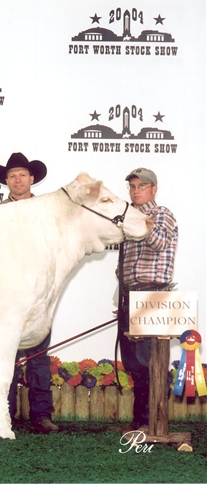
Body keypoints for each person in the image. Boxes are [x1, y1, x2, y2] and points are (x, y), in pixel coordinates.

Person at [0, 152, 58, 434]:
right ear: (6, 181)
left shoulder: (48, 210)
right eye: (12, 176)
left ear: (32, 179)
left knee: (38, 356)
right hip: (5, 295)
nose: (17, 179)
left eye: (22, 175)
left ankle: (41, 415)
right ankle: (5, 413)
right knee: (3, 355)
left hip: (38, 295)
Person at [111, 168, 178, 433]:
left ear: (154, 189)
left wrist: (140, 223)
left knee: (150, 360)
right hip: (132, 296)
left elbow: (160, 242)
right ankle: (141, 421)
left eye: (141, 186)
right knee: (134, 362)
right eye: (132, 187)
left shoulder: (162, 214)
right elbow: (123, 266)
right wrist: (123, 298)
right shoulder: (131, 219)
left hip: (154, 294)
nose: (136, 191)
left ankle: (153, 421)